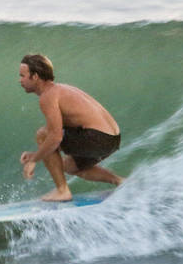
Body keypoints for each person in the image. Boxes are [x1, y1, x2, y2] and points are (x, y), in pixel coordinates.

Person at [18, 53, 124, 201]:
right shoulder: (60, 89)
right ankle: (120, 182)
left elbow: (55, 137)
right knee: (70, 166)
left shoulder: (47, 97)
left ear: (35, 76)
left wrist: (34, 160)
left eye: (22, 75)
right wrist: (37, 154)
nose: (20, 80)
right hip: (112, 138)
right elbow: (58, 138)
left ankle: (62, 191)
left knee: (42, 134)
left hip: (98, 137)